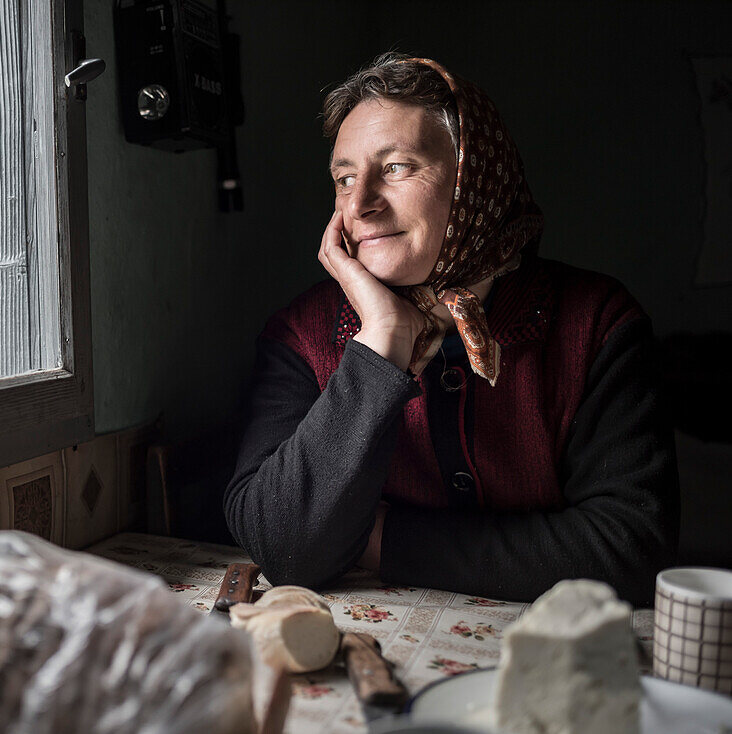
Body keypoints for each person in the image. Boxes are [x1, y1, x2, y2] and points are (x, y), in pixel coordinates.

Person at [223, 53, 678, 605]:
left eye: (396, 167)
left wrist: (384, 540)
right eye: (344, 178)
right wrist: (383, 340)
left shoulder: (596, 323)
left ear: (474, 179)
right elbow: (285, 549)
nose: (361, 204)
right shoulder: (302, 333)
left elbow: (630, 550)